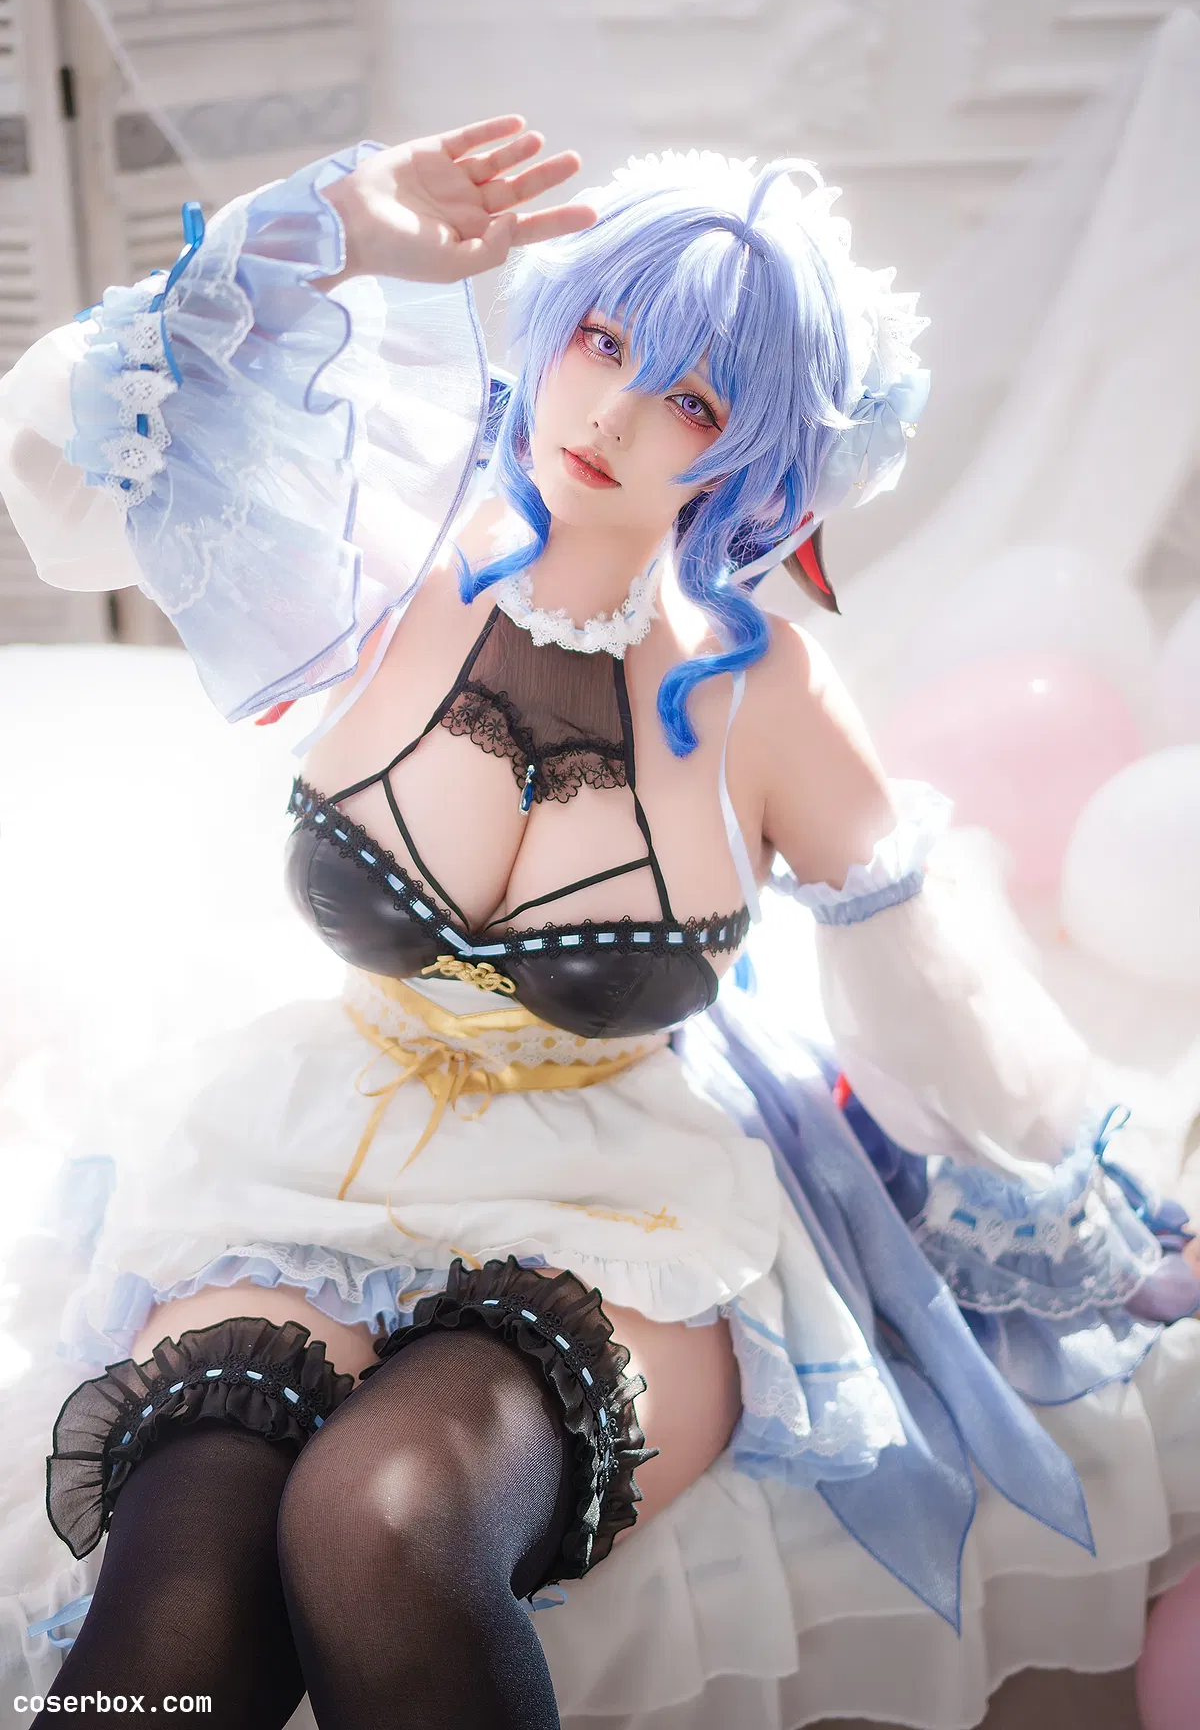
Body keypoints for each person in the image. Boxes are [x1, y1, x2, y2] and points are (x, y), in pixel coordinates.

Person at [0, 116, 1198, 1730]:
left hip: (618, 1211)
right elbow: (73, 455)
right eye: (604, 341)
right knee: (183, 1579)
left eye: (691, 401)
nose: (614, 413)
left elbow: (935, 1000)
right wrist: (327, 227)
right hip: (310, 1162)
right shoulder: (384, 550)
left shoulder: (766, 694)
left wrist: (1095, 1212)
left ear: (759, 461)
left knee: (386, 1518)